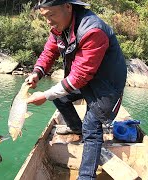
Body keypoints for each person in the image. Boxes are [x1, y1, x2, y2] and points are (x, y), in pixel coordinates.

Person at [26, 0, 127, 179]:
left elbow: (80, 75)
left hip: (107, 86)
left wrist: (45, 94)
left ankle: (86, 176)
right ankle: (75, 128)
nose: (48, 21)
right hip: (85, 80)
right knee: (59, 97)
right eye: (45, 17)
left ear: (68, 6)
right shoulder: (60, 27)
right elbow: (50, 52)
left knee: (92, 127)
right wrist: (36, 73)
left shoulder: (93, 30)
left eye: (51, 15)